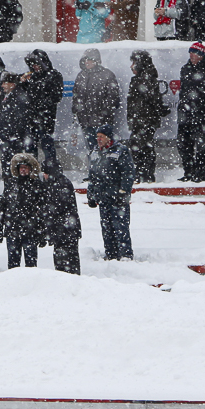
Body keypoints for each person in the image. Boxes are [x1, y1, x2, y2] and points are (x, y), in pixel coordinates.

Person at [86, 129, 135, 261]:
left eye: (101, 136)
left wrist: (123, 193)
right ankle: (111, 255)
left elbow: (128, 173)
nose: (99, 139)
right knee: (106, 229)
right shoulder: (95, 152)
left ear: (108, 138)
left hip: (118, 198)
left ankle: (125, 255)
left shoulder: (120, 150)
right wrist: (91, 195)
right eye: (97, 136)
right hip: (103, 198)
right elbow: (92, 176)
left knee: (121, 227)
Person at [0, 152, 46, 269]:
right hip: (12, 230)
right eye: (21, 168)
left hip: (30, 231)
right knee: (13, 265)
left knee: (31, 265)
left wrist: (43, 231)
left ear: (31, 169)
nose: (23, 170)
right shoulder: (11, 184)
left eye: (26, 168)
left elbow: (43, 210)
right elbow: (2, 206)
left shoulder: (37, 185)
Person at [176, 42, 205, 182]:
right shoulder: (185, 69)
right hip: (186, 112)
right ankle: (189, 171)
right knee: (183, 143)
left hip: (201, 113)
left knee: (202, 145)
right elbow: (184, 92)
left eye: (195, 53)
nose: (192, 55)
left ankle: (201, 172)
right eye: (191, 53)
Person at [125, 51, 168, 182]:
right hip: (140, 120)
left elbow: (152, 100)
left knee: (142, 147)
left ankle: (145, 174)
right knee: (141, 147)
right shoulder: (142, 79)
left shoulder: (146, 79)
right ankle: (143, 174)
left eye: (134, 63)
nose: (131, 66)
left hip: (145, 120)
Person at [71, 48, 121, 157]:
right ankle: (94, 171)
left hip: (102, 123)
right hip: (86, 122)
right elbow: (76, 95)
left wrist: (103, 115)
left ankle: (106, 171)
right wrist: (78, 111)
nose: (86, 62)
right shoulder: (81, 76)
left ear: (96, 61)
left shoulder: (107, 75)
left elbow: (113, 98)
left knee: (106, 150)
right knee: (92, 151)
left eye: (89, 60)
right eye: (85, 60)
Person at [20, 49, 64, 169]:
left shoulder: (54, 75)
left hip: (45, 119)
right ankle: (31, 171)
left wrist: (38, 102)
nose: (35, 67)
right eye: (32, 65)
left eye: (37, 64)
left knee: (47, 146)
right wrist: (23, 83)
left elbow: (56, 97)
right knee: (30, 148)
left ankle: (51, 171)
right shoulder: (31, 77)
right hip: (31, 120)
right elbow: (24, 97)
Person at [42, 159, 82, 274]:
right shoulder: (62, 182)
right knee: (70, 259)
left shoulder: (57, 185)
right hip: (68, 229)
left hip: (63, 230)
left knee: (64, 261)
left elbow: (55, 208)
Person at [0, 72, 30, 175]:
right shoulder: (7, 97)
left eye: (5, 83)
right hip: (7, 139)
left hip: (12, 140)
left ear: (12, 84)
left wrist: (10, 136)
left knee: (11, 168)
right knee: (7, 167)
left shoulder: (17, 98)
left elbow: (17, 120)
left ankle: (11, 188)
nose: (2, 86)